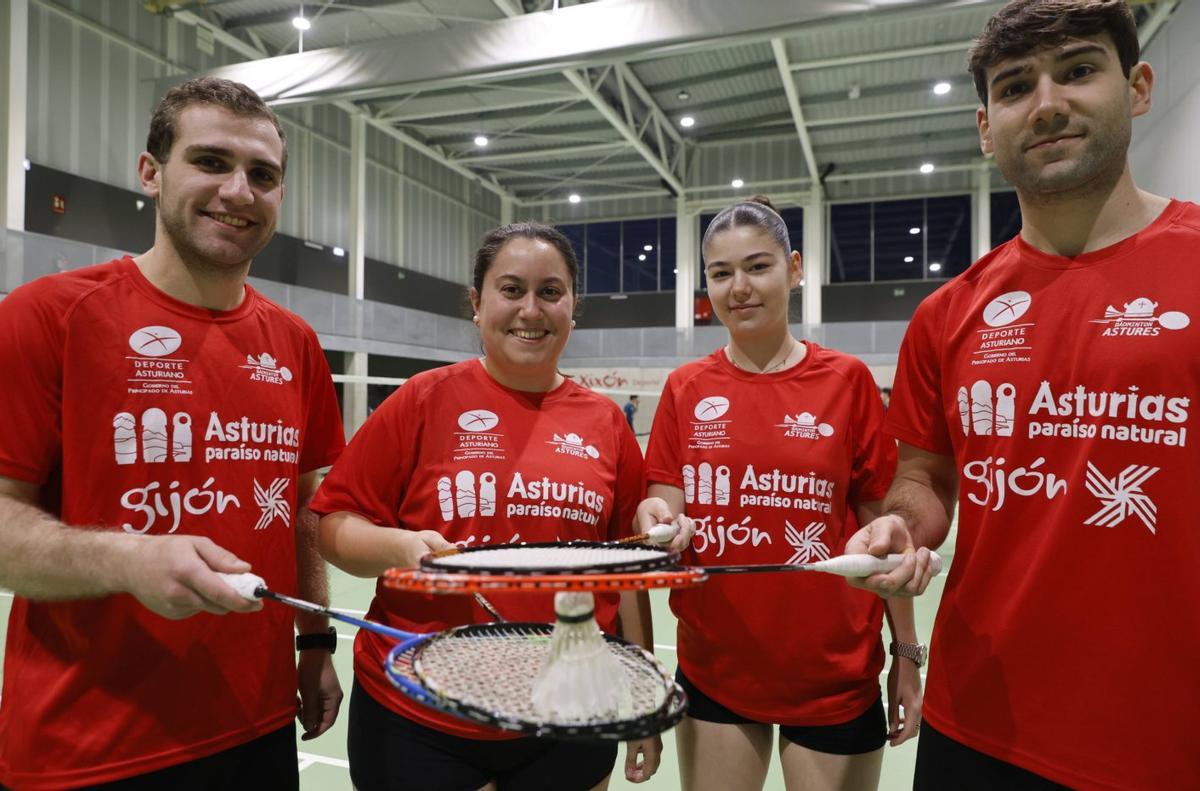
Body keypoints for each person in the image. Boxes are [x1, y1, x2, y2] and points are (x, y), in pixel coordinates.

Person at [847, 2, 1200, 788]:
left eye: (1077, 71)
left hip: (1169, 734)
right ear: (985, 127)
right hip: (976, 723)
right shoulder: (948, 314)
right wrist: (902, 528)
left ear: (1137, 87)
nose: (1046, 104)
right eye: (1015, 87)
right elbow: (927, 477)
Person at [0, 77, 345, 789]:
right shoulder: (47, 317)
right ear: (151, 173)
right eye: (211, 162)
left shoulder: (297, 343)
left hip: (256, 725)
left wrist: (314, 640)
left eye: (263, 175)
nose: (240, 191)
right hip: (89, 744)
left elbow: (302, 504)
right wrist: (128, 559)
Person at [310, 222, 688, 791]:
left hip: (571, 712)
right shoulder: (422, 399)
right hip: (419, 714)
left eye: (550, 292)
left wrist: (637, 701)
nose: (530, 310)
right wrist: (399, 547)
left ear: (572, 306)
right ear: (477, 303)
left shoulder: (606, 422)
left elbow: (623, 576)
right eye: (511, 290)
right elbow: (333, 525)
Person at [637, 196, 923, 791]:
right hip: (717, 668)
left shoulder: (847, 382)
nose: (739, 287)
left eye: (758, 266)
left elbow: (884, 537)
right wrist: (659, 523)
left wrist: (907, 656)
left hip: (834, 677)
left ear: (795, 269)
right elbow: (662, 513)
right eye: (720, 273)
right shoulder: (685, 389)